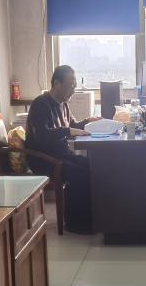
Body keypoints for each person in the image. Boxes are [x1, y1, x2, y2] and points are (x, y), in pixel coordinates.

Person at [25, 65, 101, 233]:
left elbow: (72, 125)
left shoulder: (63, 104)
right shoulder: (41, 104)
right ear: (56, 84)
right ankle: (75, 224)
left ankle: (91, 217)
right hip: (44, 159)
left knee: (92, 165)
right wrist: (68, 131)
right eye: (70, 86)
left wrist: (89, 122)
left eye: (74, 86)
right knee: (80, 173)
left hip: (61, 155)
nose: (73, 91)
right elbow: (42, 136)